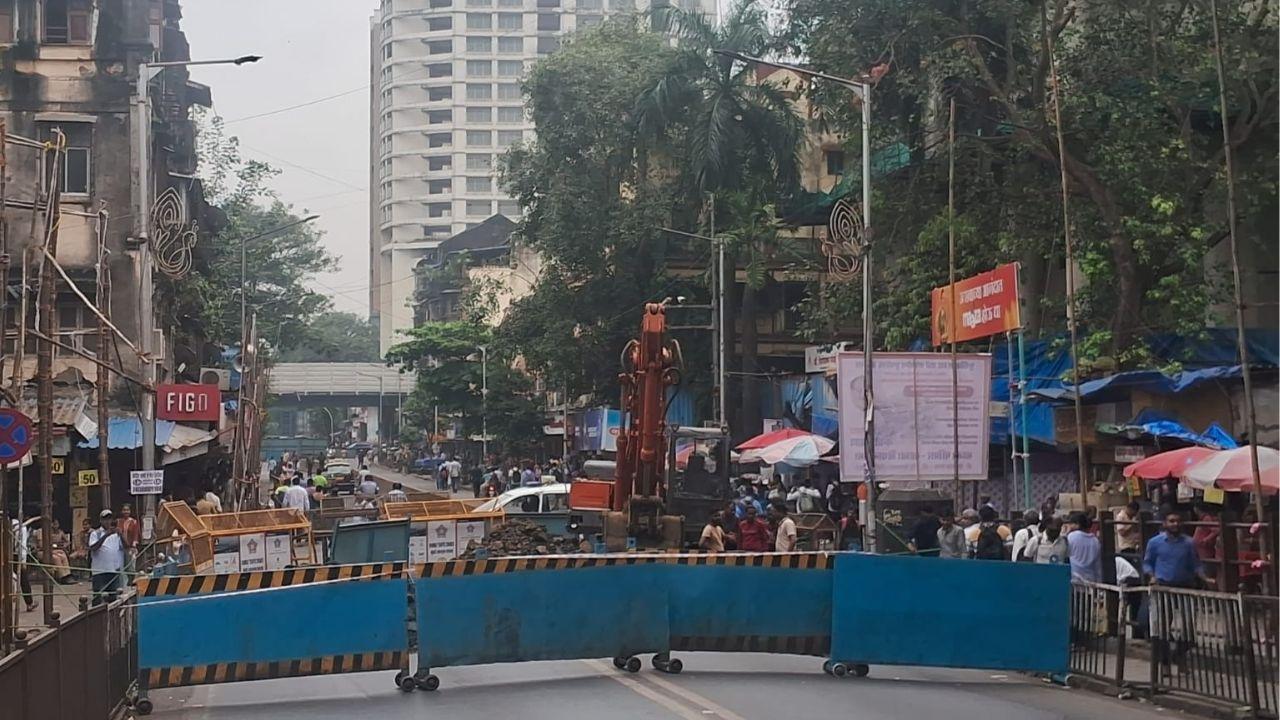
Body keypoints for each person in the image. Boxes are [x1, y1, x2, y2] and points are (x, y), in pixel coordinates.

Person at [1143, 512, 1207, 588]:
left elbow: (1196, 564)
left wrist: (1205, 578)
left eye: (1178, 521)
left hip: (1185, 585)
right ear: (1164, 524)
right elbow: (1147, 563)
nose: (1175, 524)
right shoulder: (1154, 542)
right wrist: (1152, 577)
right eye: (1172, 521)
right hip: (1162, 585)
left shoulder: (1189, 542)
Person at [89, 510, 125, 606]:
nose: (107, 522)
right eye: (105, 519)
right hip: (99, 571)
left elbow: (126, 546)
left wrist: (121, 535)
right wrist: (106, 535)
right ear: (101, 520)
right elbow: (93, 548)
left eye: (109, 519)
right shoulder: (95, 533)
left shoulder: (116, 534)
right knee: (98, 598)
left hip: (113, 570)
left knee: (113, 598)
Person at [1067, 513, 1103, 581]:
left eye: (1071, 524)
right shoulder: (1095, 541)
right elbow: (1097, 565)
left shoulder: (1071, 537)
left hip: (1074, 578)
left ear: (1077, 524)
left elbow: (1066, 554)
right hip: (1090, 579)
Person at [10, 518, 34, 611]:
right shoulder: (21, 527)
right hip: (16, 555)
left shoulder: (6, 524)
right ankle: (29, 603)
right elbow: (22, 545)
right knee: (23, 579)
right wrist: (23, 561)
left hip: (6, 553)